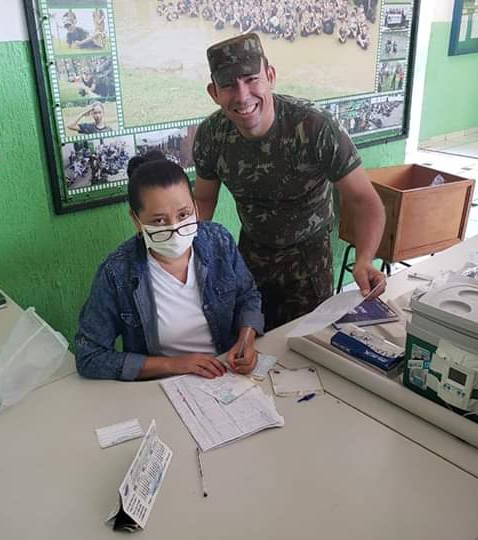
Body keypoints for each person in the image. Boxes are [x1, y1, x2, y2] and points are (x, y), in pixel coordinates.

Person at [193, 32, 386, 331]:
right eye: (228, 84)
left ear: (270, 76)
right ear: (213, 92)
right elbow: (204, 200)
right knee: (250, 340)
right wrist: (185, 252)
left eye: (251, 79)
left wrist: (363, 260)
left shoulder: (314, 127)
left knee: (306, 344)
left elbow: (365, 200)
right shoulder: (211, 136)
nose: (242, 96)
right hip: (252, 256)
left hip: (309, 262)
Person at [75, 151, 264, 381]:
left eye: (184, 214)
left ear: (195, 206)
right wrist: (174, 365)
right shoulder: (117, 273)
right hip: (163, 386)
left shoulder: (218, 242)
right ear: (136, 220)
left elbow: (248, 297)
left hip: (227, 374)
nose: (175, 229)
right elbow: (89, 356)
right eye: (159, 221)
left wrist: (246, 340)